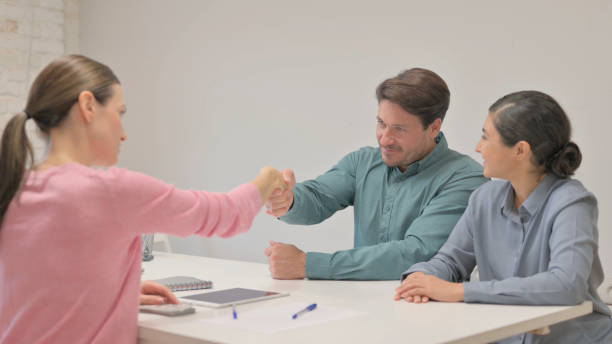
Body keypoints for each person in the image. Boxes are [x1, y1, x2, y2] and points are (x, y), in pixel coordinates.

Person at [0, 55, 286, 343]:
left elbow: (38, 286)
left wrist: (108, 292)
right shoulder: (110, 192)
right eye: (120, 112)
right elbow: (226, 215)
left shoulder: (13, 189)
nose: (124, 134)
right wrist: (268, 178)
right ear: (88, 106)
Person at [395, 91, 612, 343]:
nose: (478, 147)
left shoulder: (572, 202)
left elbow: (566, 285)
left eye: (486, 137)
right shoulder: (484, 198)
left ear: (520, 150)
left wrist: (460, 291)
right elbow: (451, 261)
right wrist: (419, 279)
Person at [264, 68, 488, 280]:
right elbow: (318, 197)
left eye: (399, 129)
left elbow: (416, 253)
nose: (384, 138)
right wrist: (289, 200)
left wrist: (309, 264)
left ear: (434, 127)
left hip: (427, 312)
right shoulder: (363, 162)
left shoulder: (467, 179)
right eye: (382, 123)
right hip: (363, 307)